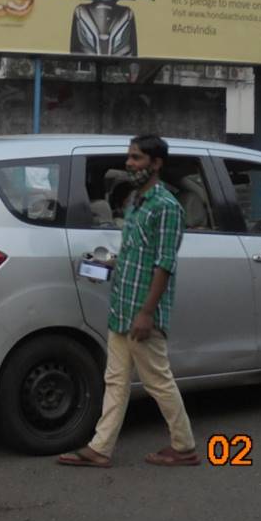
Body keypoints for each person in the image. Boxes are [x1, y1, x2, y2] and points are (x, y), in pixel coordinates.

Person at [57, 134, 199, 469]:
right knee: (115, 380)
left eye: (136, 158)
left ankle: (184, 446)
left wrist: (147, 313)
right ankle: (100, 448)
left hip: (141, 312)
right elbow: (137, 253)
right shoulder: (138, 201)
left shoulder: (166, 207)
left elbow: (165, 263)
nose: (129, 164)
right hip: (122, 307)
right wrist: (108, 266)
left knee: (157, 380)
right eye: (129, 158)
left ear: (156, 163)